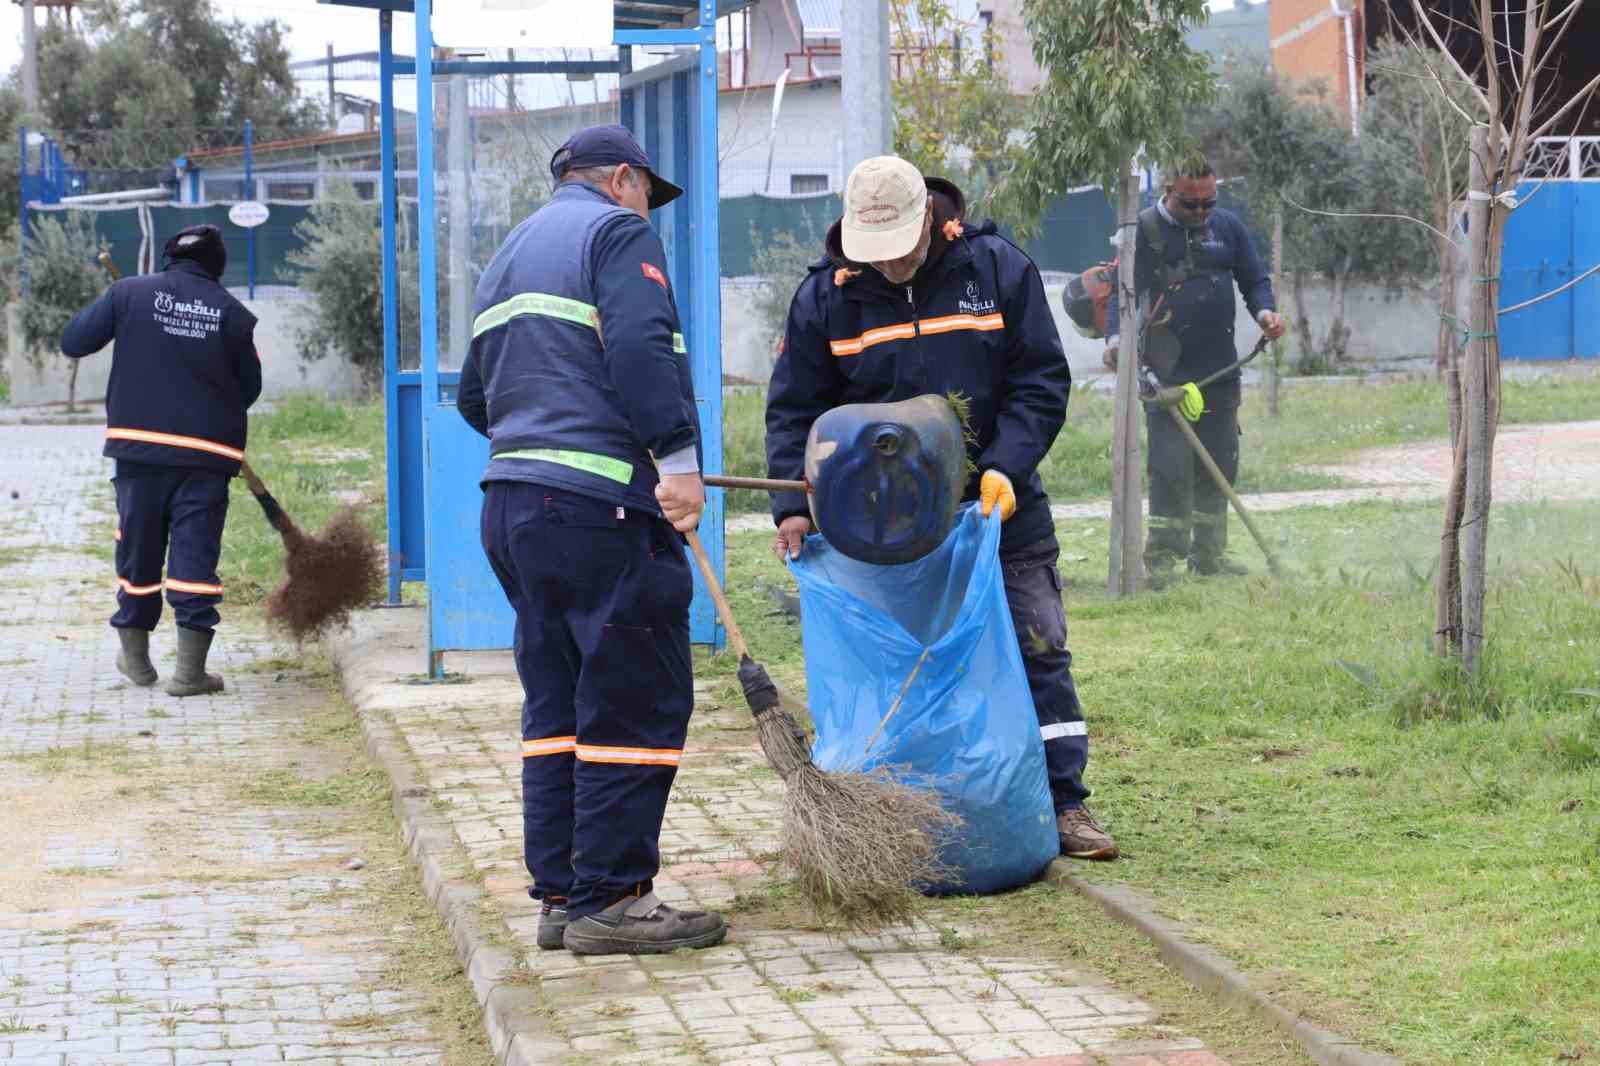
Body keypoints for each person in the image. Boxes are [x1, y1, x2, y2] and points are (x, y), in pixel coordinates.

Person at [765, 154, 1119, 862]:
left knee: (1037, 645)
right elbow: (795, 410)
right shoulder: (827, 297)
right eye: (876, 252)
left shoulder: (995, 270)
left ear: (928, 217)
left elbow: (1040, 381)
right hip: (884, 525)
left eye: (900, 248)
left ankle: (1063, 803)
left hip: (997, 505)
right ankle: (913, 806)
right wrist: (790, 506)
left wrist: (1006, 466)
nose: (889, 264)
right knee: (904, 665)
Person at [457, 124, 727, 955]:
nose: (650, 211)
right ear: (621, 180)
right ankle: (612, 900)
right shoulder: (616, 234)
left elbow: (474, 398)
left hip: (513, 507)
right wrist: (676, 463)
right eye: (648, 192)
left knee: (559, 703)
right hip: (598, 511)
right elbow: (643, 348)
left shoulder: (510, 254)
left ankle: (564, 896)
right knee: (634, 694)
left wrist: (543, 440)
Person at [59, 224, 261, 698]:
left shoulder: (128, 293)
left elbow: (74, 341)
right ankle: (189, 674)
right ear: (217, 266)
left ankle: (135, 656)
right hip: (207, 455)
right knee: (195, 551)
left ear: (169, 257)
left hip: (140, 450)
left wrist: (124, 315)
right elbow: (249, 389)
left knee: (139, 548)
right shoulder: (234, 314)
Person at [1104, 158, 1287, 582]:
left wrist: (1265, 313)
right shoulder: (1144, 231)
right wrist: (1116, 342)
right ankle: (1163, 559)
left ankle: (1209, 557)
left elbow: (1254, 280)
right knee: (1170, 468)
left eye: (1209, 203)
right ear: (1168, 190)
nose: (1202, 212)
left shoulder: (1228, 228)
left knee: (1220, 466)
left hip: (1220, 369)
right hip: (1165, 373)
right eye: (1191, 204)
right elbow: (1121, 293)